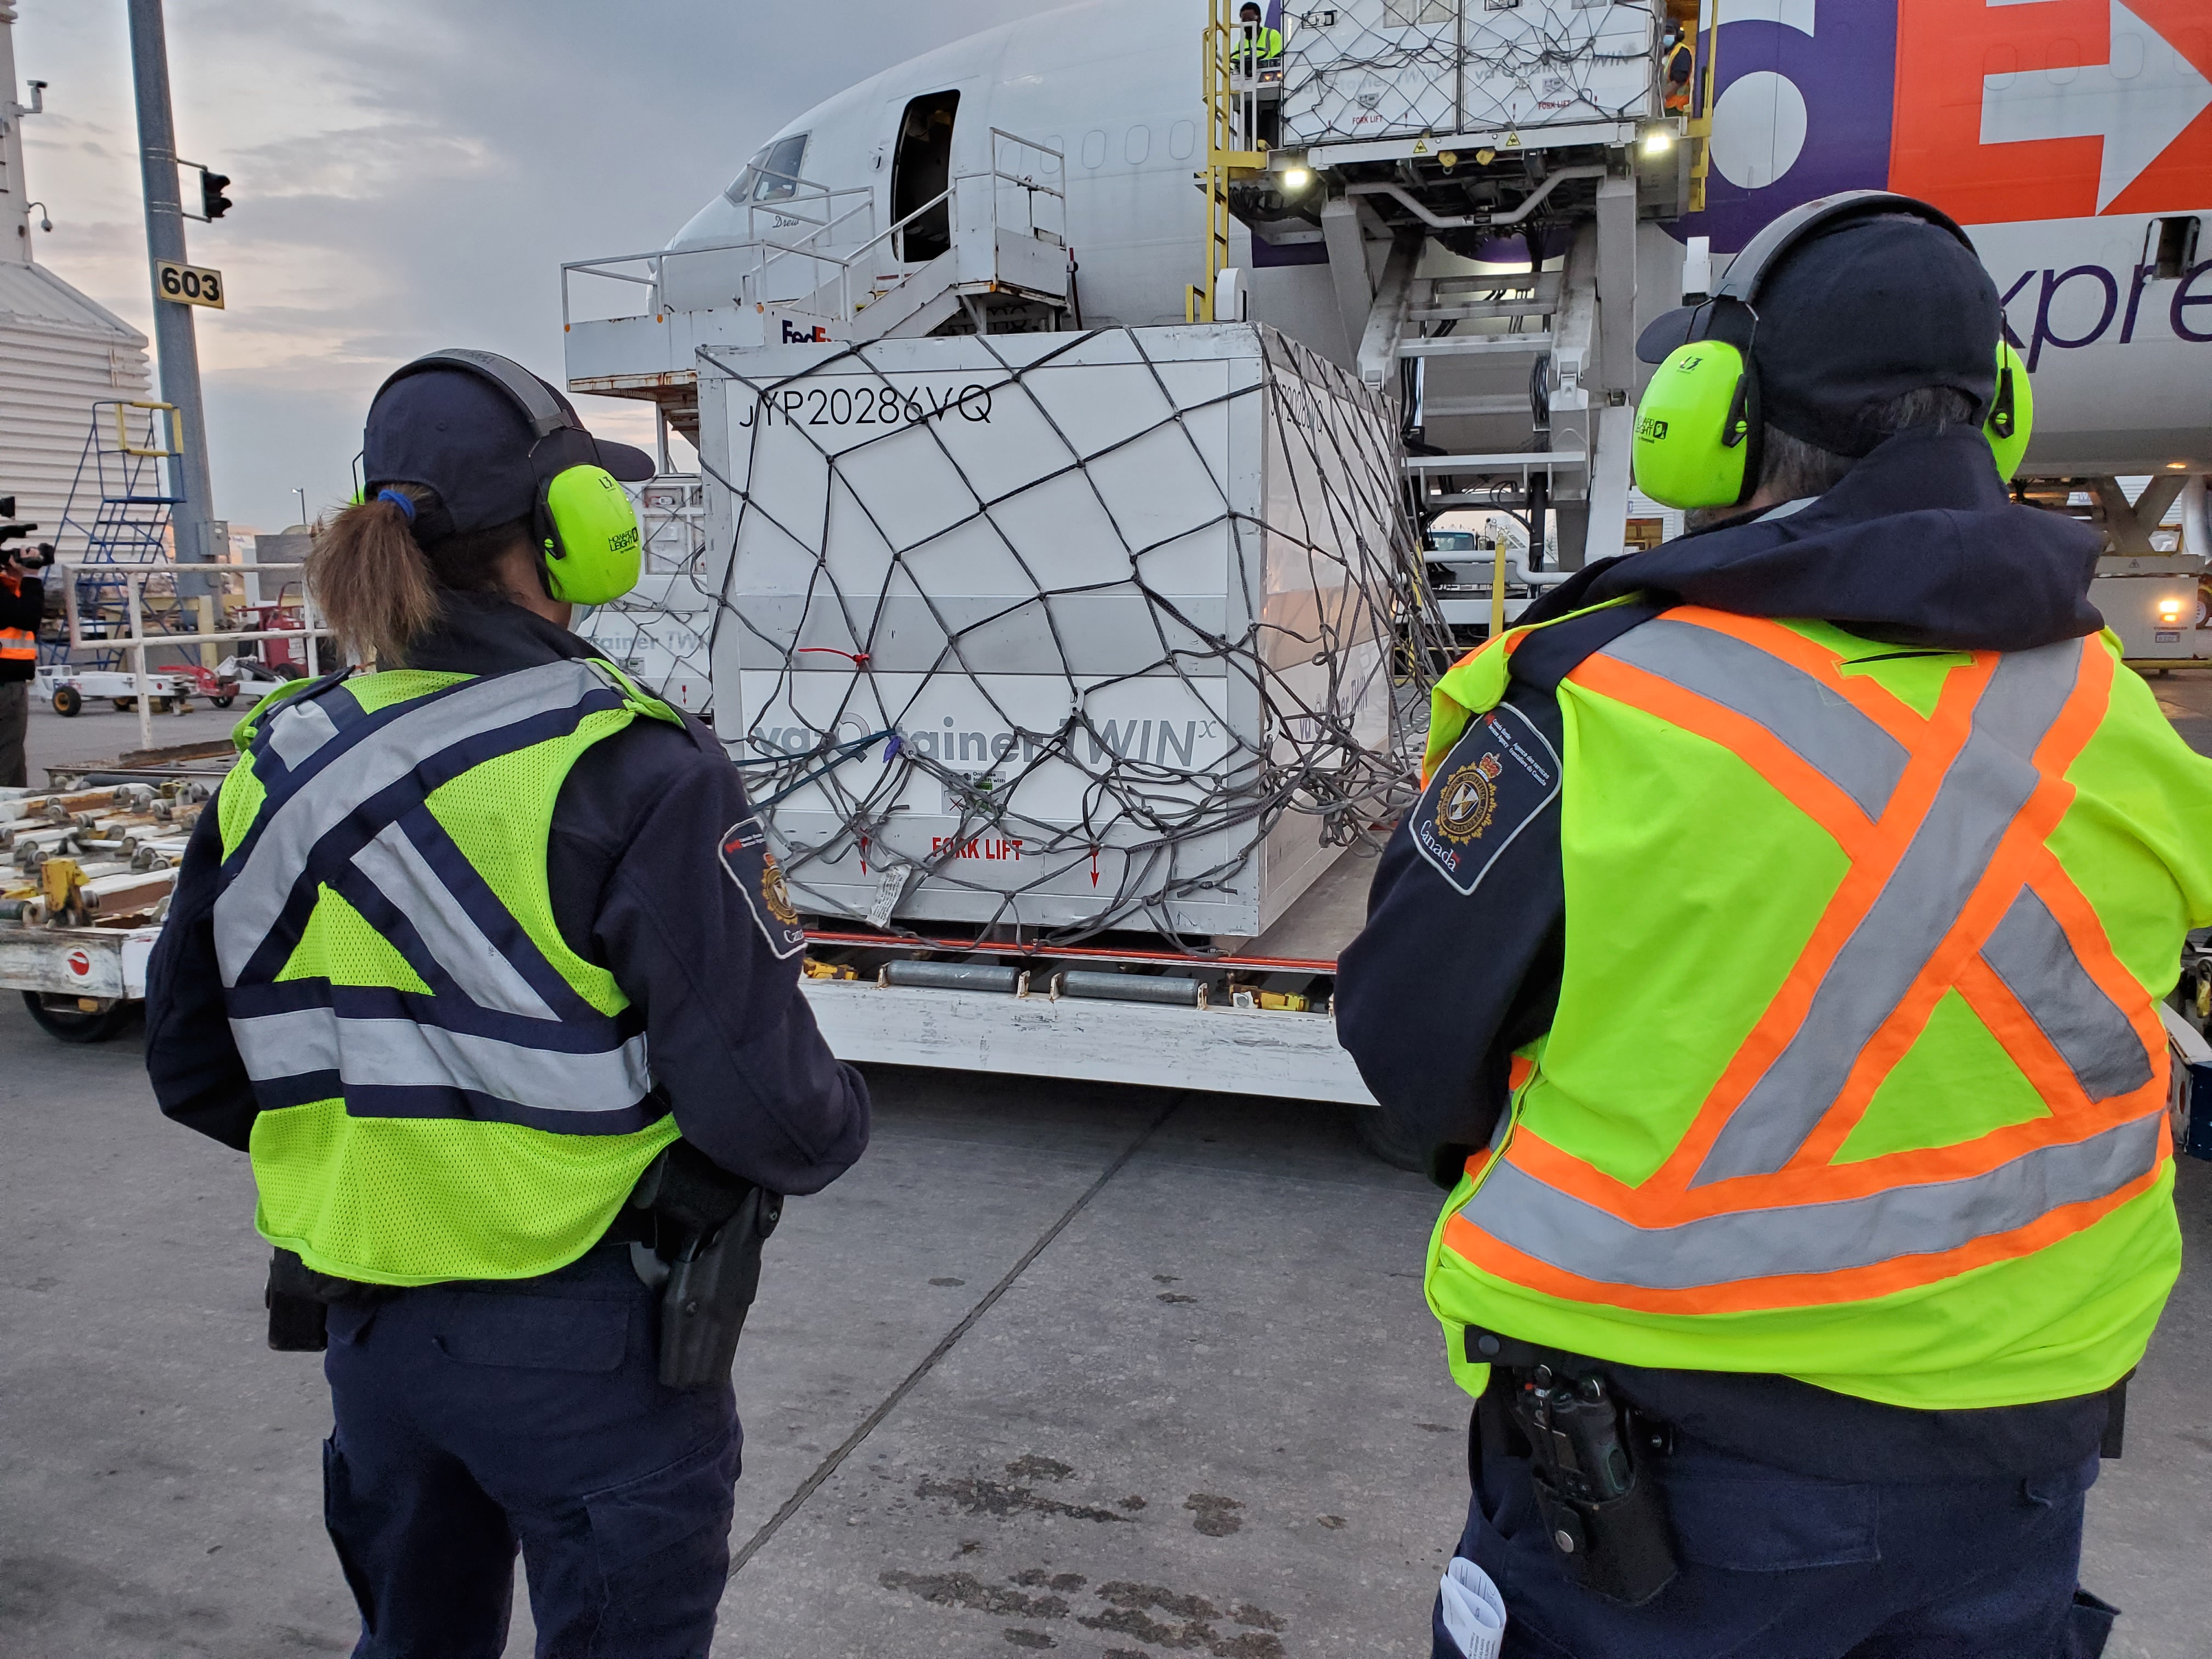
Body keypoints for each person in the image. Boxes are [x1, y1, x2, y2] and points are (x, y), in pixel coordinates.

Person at [1336, 194, 2212, 1659]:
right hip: (2019, 1469)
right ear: (2000, 416)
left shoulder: (1598, 707)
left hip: (1675, 1490)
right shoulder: (2112, 714)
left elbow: (1404, 1047)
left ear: (1710, 422)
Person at [144, 349, 870, 1658]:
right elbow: (773, 1110)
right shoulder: (632, 763)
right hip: (585, 1347)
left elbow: (195, 1062)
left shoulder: (281, 756)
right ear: (571, 537)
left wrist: (382, 1160)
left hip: (369, 1336)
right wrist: (832, 1126)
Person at [0, 535, 47, 787]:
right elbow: (27, 616)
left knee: (14, 757)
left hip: (11, 681)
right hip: (5, 683)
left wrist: (17, 578)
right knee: (6, 756)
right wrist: (30, 575)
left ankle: (16, 815)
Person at [1236, 2, 1284, 70]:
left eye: (1251, 19)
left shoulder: (1272, 35)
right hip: (1246, 79)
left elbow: (1278, 61)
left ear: (1260, 19)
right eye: (1245, 20)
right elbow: (1234, 69)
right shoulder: (1240, 45)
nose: (1248, 23)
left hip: (1270, 78)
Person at [1661, 24, 1693, 114]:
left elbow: (1679, 79)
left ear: (1678, 35)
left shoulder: (1682, 52)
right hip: (1666, 107)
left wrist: (1660, 98)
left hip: (1677, 108)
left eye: (1670, 32)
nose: (1667, 35)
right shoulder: (1665, 53)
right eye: (1665, 32)